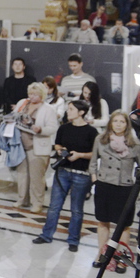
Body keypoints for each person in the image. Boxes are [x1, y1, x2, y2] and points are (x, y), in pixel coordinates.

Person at [33, 100, 99, 252]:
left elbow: (95, 154)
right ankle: (46, 234)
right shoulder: (64, 128)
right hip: (62, 171)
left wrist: (79, 155)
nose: (67, 112)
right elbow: (57, 144)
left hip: (81, 174)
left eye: (71, 109)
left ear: (81, 112)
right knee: (54, 206)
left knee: (76, 209)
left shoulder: (91, 132)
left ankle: (73, 240)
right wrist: (60, 150)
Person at [90, 111, 140, 271]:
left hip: (125, 188)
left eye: (122, 121)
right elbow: (93, 162)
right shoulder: (100, 140)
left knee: (124, 225)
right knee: (103, 221)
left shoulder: (135, 144)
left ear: (127, 125)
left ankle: (120, 256)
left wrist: (136, 185)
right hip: (104, 185)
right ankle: (102, 254)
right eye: (115, 121)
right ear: (110, 123)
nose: (118, 124)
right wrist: (96, 180)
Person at [11, 82, 58, 213]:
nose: (32, 97)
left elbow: (53, 128)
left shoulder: (48, 109)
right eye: (31, 94)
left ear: (42, 95)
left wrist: (40, 129)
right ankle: (22, 199)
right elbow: (14, 115)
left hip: (37, 146)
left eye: (36, 94)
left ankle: (37, 202)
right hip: (20, 145)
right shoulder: (22, 103)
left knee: (37, 177)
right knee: (22, 175)